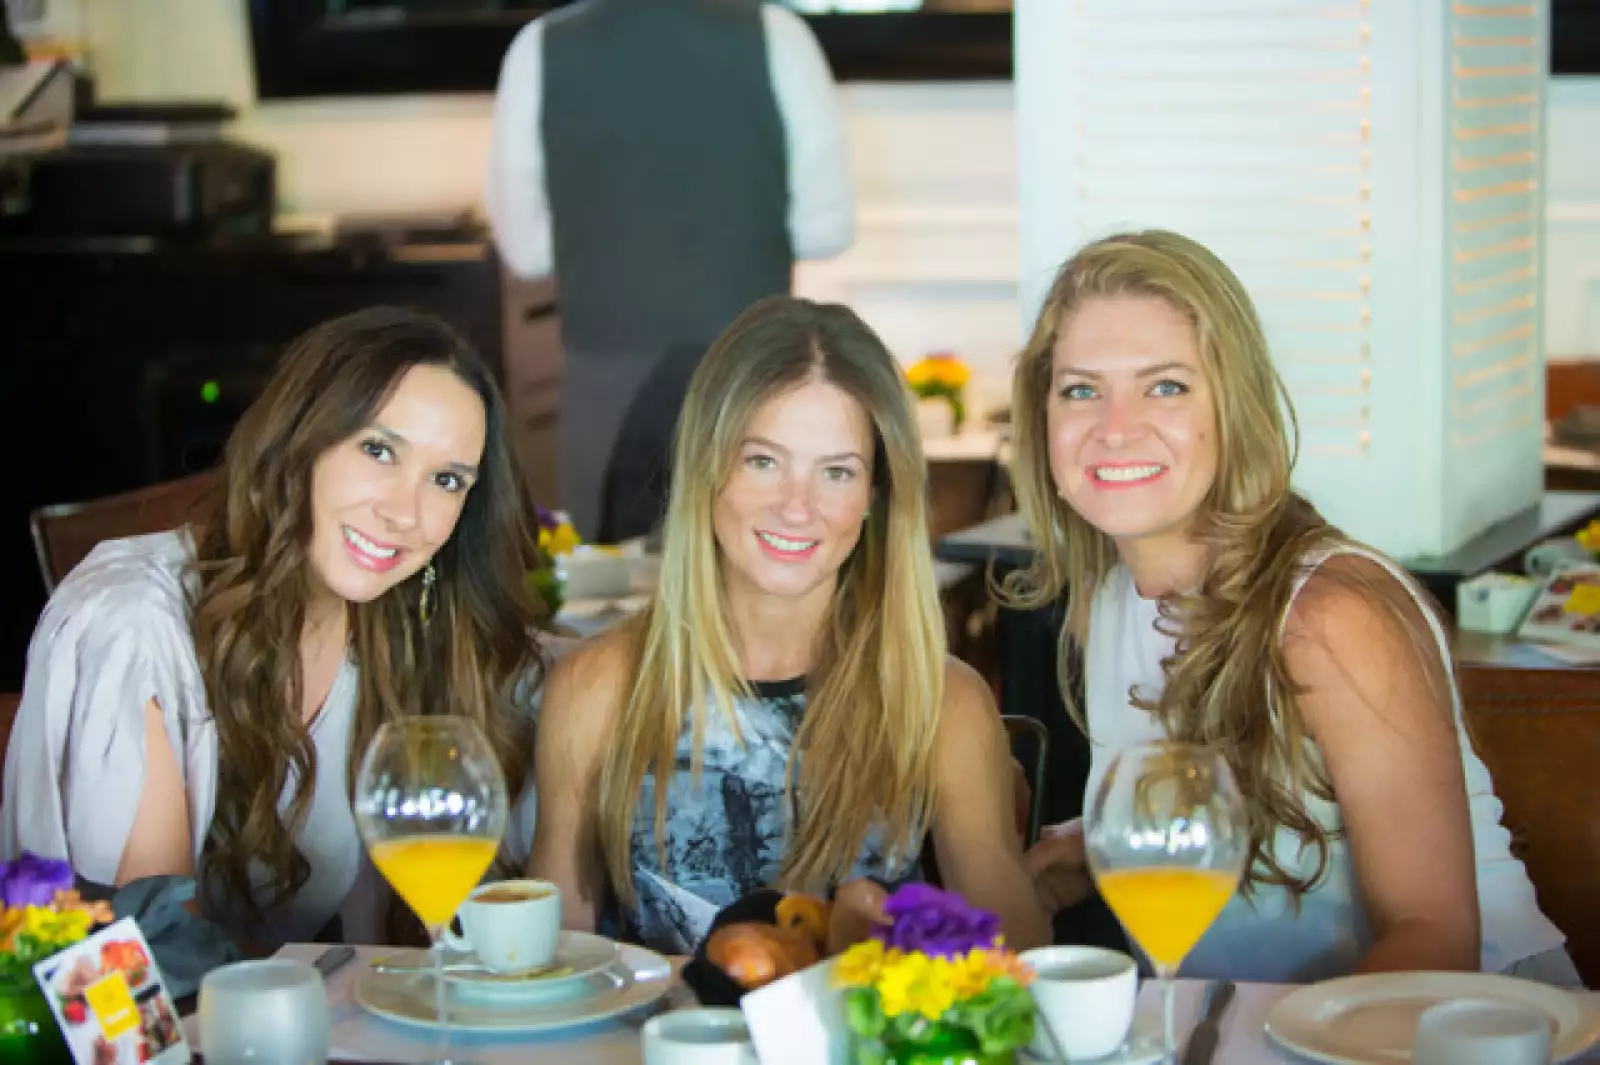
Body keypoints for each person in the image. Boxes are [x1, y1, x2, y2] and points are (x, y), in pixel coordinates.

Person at [1010, 230, 1579, 987]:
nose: (1115, 426)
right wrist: (1088, 853)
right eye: (1081, 388)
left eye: (1166, 385)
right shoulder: (1107, 598)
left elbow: (1434, 934)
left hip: (1469, 1033)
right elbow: (1239, 806)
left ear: (1235, 405)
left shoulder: (1333, 614)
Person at [1, 307, 548, 947]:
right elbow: (157, 953)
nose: (406, 512)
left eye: (446, 480)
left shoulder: (397, 622)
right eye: (378, 450)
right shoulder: (133, 625)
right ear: (300, 440)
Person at [530, 295, 1048, 955]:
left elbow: (1013, 967)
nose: (797, 507)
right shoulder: (594, 688)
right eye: (763, 461)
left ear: (874, 499)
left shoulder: (941, 703)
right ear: (707, 467)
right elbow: (549, 968)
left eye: (836, 471)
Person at [485, 0, 854, 542]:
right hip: (745, 370)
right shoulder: (779, 35)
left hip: (606, 386)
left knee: (614, 597)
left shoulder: (538, 47)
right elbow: (826, 229)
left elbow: (528, 250)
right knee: (750, 560)